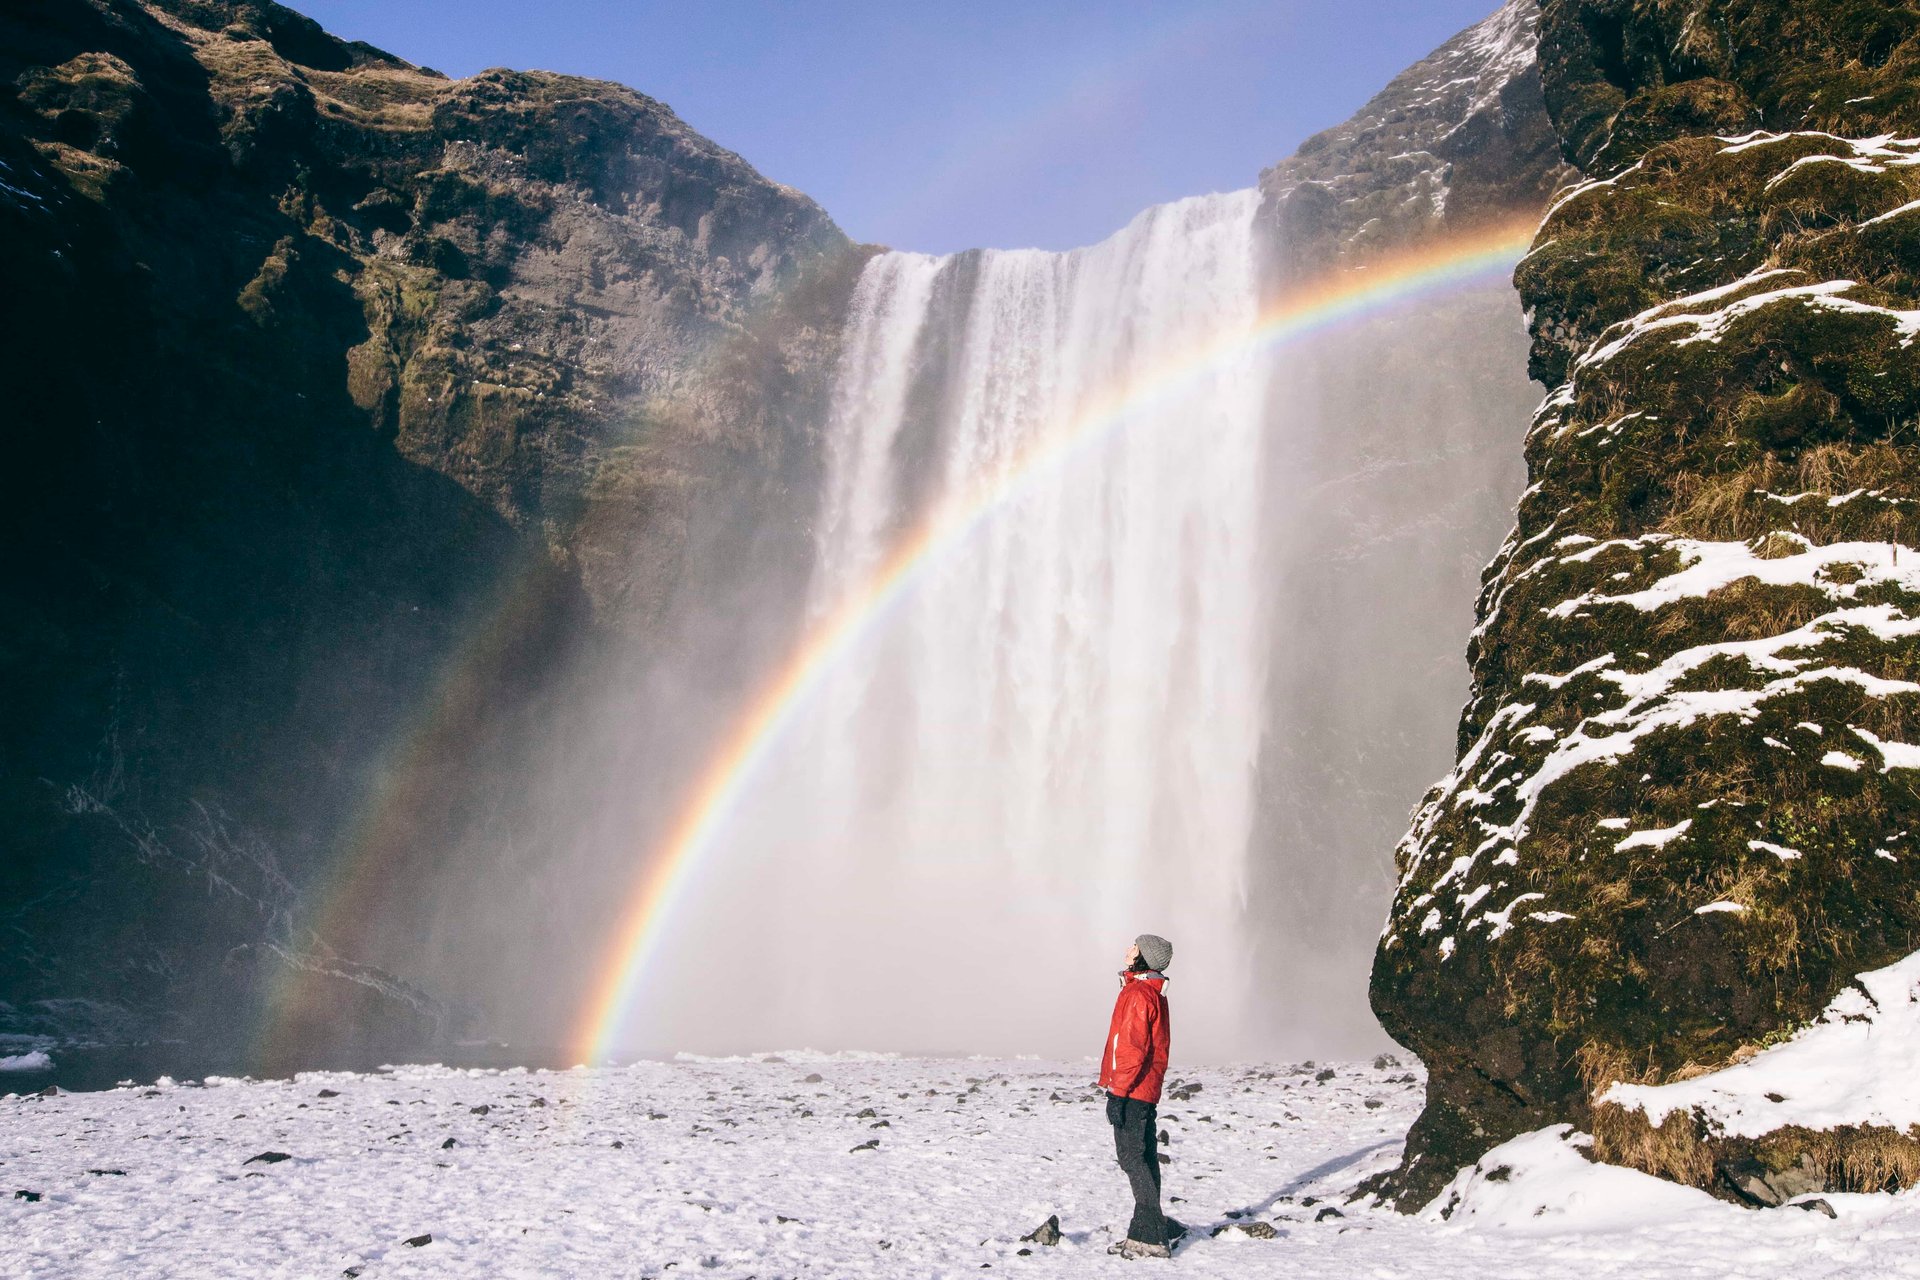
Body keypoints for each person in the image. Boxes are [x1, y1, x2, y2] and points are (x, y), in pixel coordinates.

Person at [1099, 933, 1176, 1259]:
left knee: (1131, 1158)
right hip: (1146, 1089)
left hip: (1132, 1089)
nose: (1128, 949)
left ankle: (1150, 1235)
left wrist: (1117, 1092)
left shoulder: (1138, 994)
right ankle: (1147, 1230)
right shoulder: (1153, 993)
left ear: (1143, 957)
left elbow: (1130, 1049)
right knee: (1144, 1158)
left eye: (1134, 946)